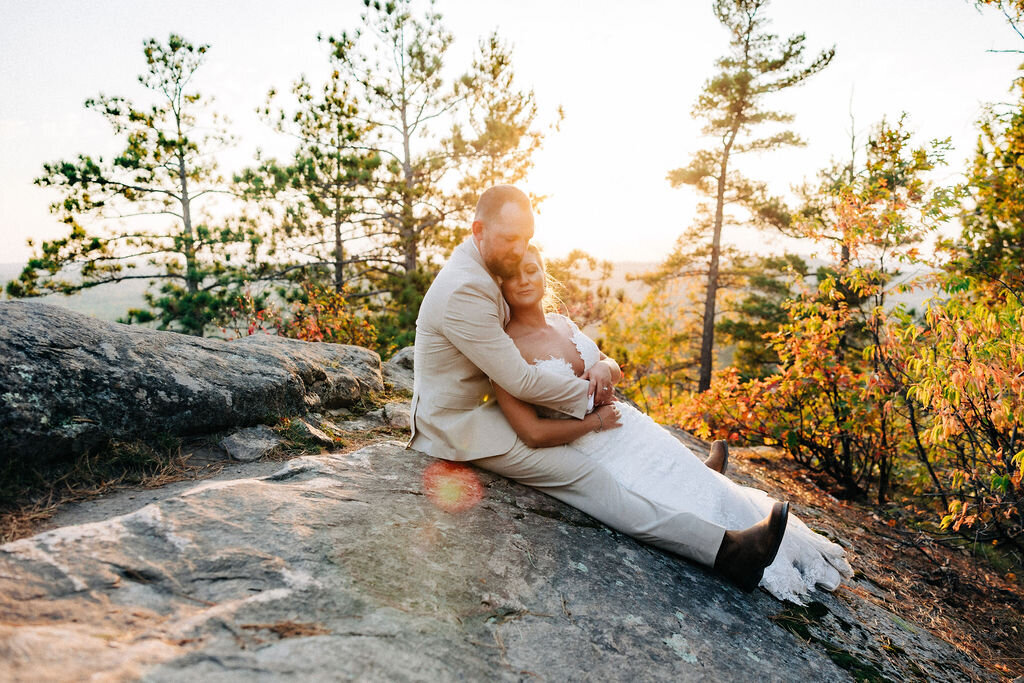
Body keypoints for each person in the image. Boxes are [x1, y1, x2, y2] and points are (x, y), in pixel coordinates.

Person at [409, 184, 791, 594]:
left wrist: (600, 375)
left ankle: (682, 484)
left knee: (609, 444)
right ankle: (729, 551)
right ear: (478, 230)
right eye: (510, 239)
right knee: (589, 478)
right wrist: (592, 399)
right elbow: (520, 380)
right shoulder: (464, 289)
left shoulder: (486, 262)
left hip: (489, 404)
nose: (519, 251)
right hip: (460, 427)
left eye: (526, 239)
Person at [493, 244, 853, 602]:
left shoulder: (562, 322)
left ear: (545, 273)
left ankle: (746, 514)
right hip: (595, 449)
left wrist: (604, 366)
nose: (524, 280)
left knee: (703, 484)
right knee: (675, 504)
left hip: (632, 429)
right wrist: (593, 423)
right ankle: (741, 550)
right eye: (512, 275)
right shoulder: (504, 348)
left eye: (532, 270)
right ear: (500, 284)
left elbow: (612, 364)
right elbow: (531, 433)